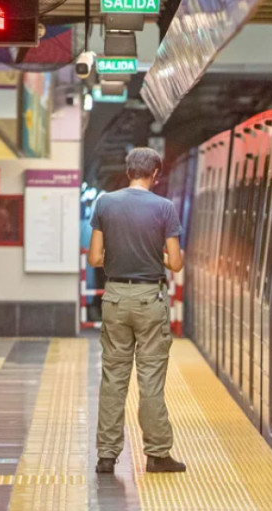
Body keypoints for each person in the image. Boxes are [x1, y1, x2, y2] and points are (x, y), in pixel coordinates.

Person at [88, 147, 185, 474]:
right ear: (155, 175)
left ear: (128, 171)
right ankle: (157, 454)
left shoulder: (105, 203)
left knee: (113, 378)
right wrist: (152, 257)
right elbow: (176, 262)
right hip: (149, 300)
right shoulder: (165, 208)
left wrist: (118, 257)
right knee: (150, 380)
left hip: (115, 297)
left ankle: (106, 455)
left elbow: (94, 257)